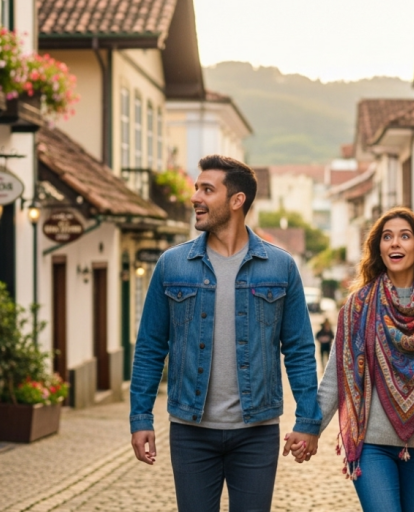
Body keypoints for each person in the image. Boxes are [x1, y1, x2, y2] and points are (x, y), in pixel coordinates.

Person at [129, 155, 322, 512]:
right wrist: (141, 418)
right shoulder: (172, 265)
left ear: (237, 201)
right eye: (196, 188)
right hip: (190, 430)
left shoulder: (280, 267)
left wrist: (308, 421)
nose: (195, 198)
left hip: (257, 431)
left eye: (207, 189)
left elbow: (298, 350)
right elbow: (150, 347)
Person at [302, 207, 414, 512]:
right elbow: (336, 379)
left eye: (405, 236)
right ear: (378, 248)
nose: (395, 243)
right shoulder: (358, 305)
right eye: (387, 237)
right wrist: (309, 428)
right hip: (372, 444)